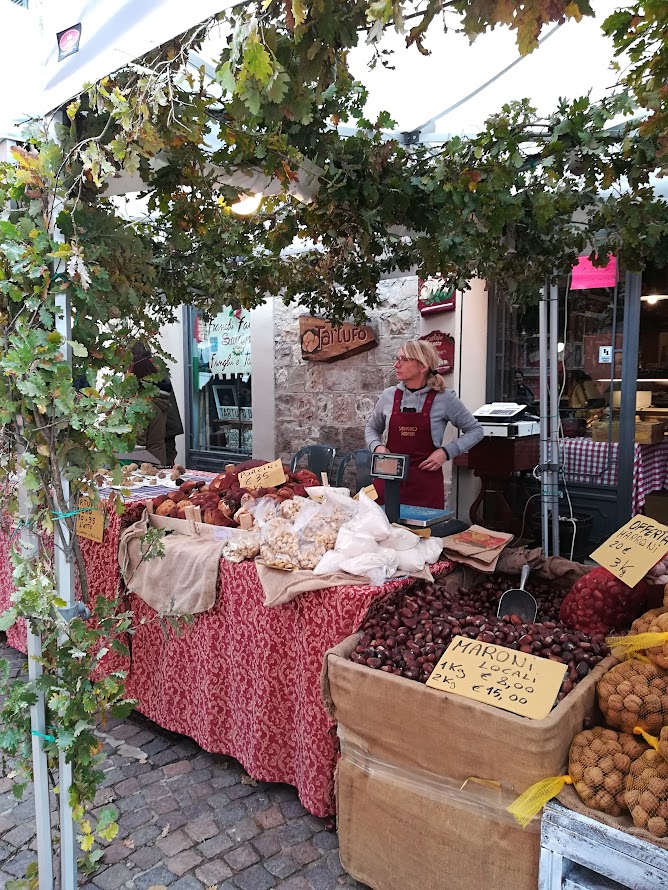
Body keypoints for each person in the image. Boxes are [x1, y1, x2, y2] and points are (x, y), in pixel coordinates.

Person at [365, 340, 484, 508]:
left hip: (425, 486)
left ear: (423, 366)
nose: (396, 364)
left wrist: (445, 452)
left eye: (404, 359)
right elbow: (372, 428)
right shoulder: (388, 395)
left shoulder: (445, 398)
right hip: (388, 481)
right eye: (397, 358)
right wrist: (377, 447)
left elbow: (476, 430)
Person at [129, 342, 171, 466]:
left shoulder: (143, 406)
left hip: (145, 464)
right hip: (157, 457)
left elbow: (137, 443)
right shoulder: (157, 399)